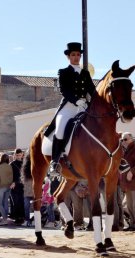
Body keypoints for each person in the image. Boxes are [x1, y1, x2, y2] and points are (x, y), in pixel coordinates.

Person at [45, 42, 95, 176]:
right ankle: (54, 163)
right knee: (60, 130)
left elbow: (92, 90)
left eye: (78, 55)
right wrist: (76, 100)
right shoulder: (63, 72)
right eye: (73, 55)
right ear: (69, 57)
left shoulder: (85, 73)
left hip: (84, 107)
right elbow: (64, 90)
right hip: (68, 107)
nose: (76, 57)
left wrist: (93, 101)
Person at [0, 153, 13, 226]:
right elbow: (12, 177)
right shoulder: (10, 166)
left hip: (1, 186)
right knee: (5, 202)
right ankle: (5, 219)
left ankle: (4, 219)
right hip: (9, 186)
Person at [9, 148, 25, 225]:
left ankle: (21, 217)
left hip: (22, 185)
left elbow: (25, 175)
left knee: (21, 201)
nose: (18, 156)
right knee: (15, 202)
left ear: (22, 154)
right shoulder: (12, 164)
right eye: (17, 155)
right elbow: (9, 175)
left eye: (19, 155)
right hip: (14, 185)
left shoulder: (25, 163)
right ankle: (16, 217)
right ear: (14, 155)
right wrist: (12, 182)